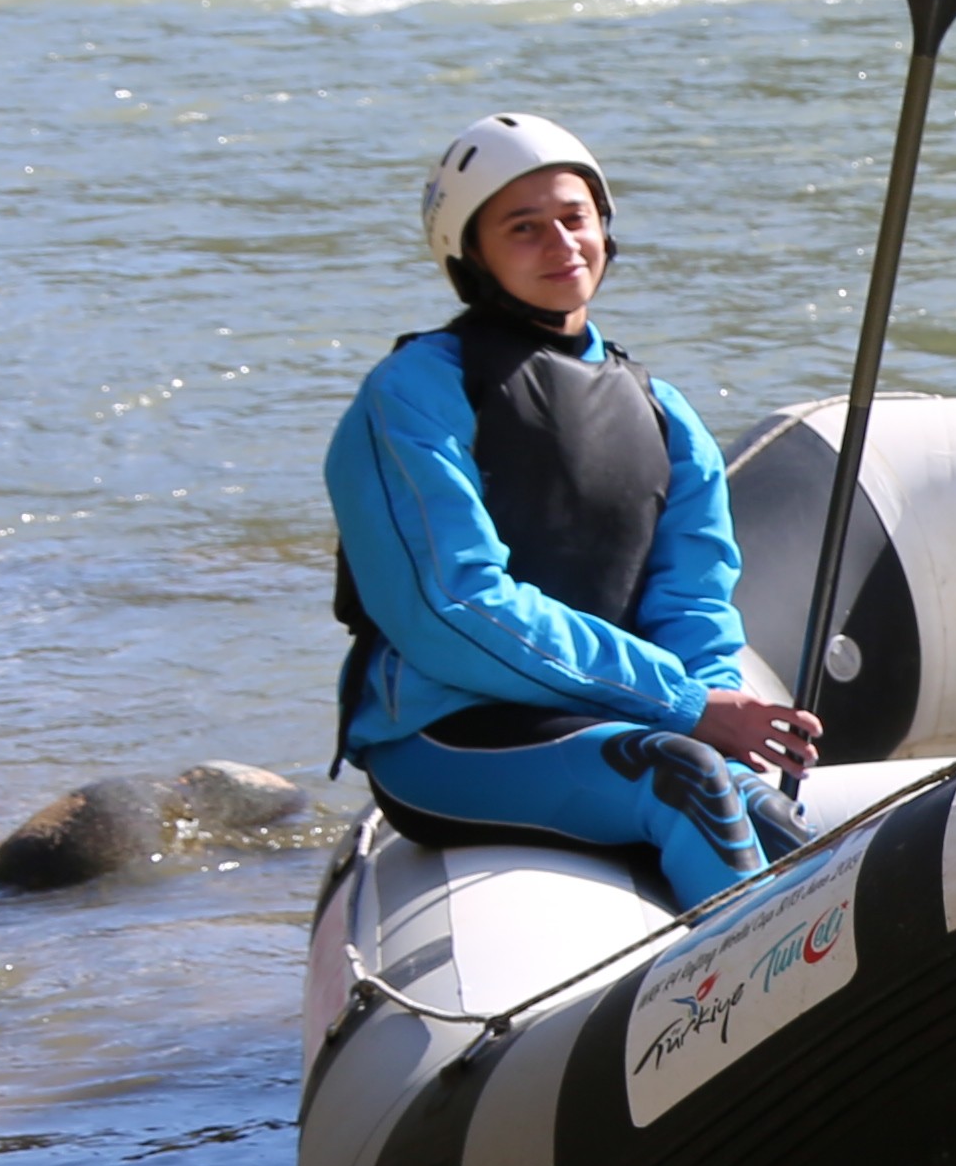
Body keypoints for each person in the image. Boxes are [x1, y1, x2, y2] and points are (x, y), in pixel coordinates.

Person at [328, 113, 817, 903]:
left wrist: (719, 707)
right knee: (684, 775)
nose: (561, 245)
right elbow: (453, 607)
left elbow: (693, 600)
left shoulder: (663, 411)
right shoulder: (414, 394)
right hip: (446, 737)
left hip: (616, 716)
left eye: (574, 217)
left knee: (761, 808)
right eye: (524, 228)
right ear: (472, 253)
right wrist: (687, 706)